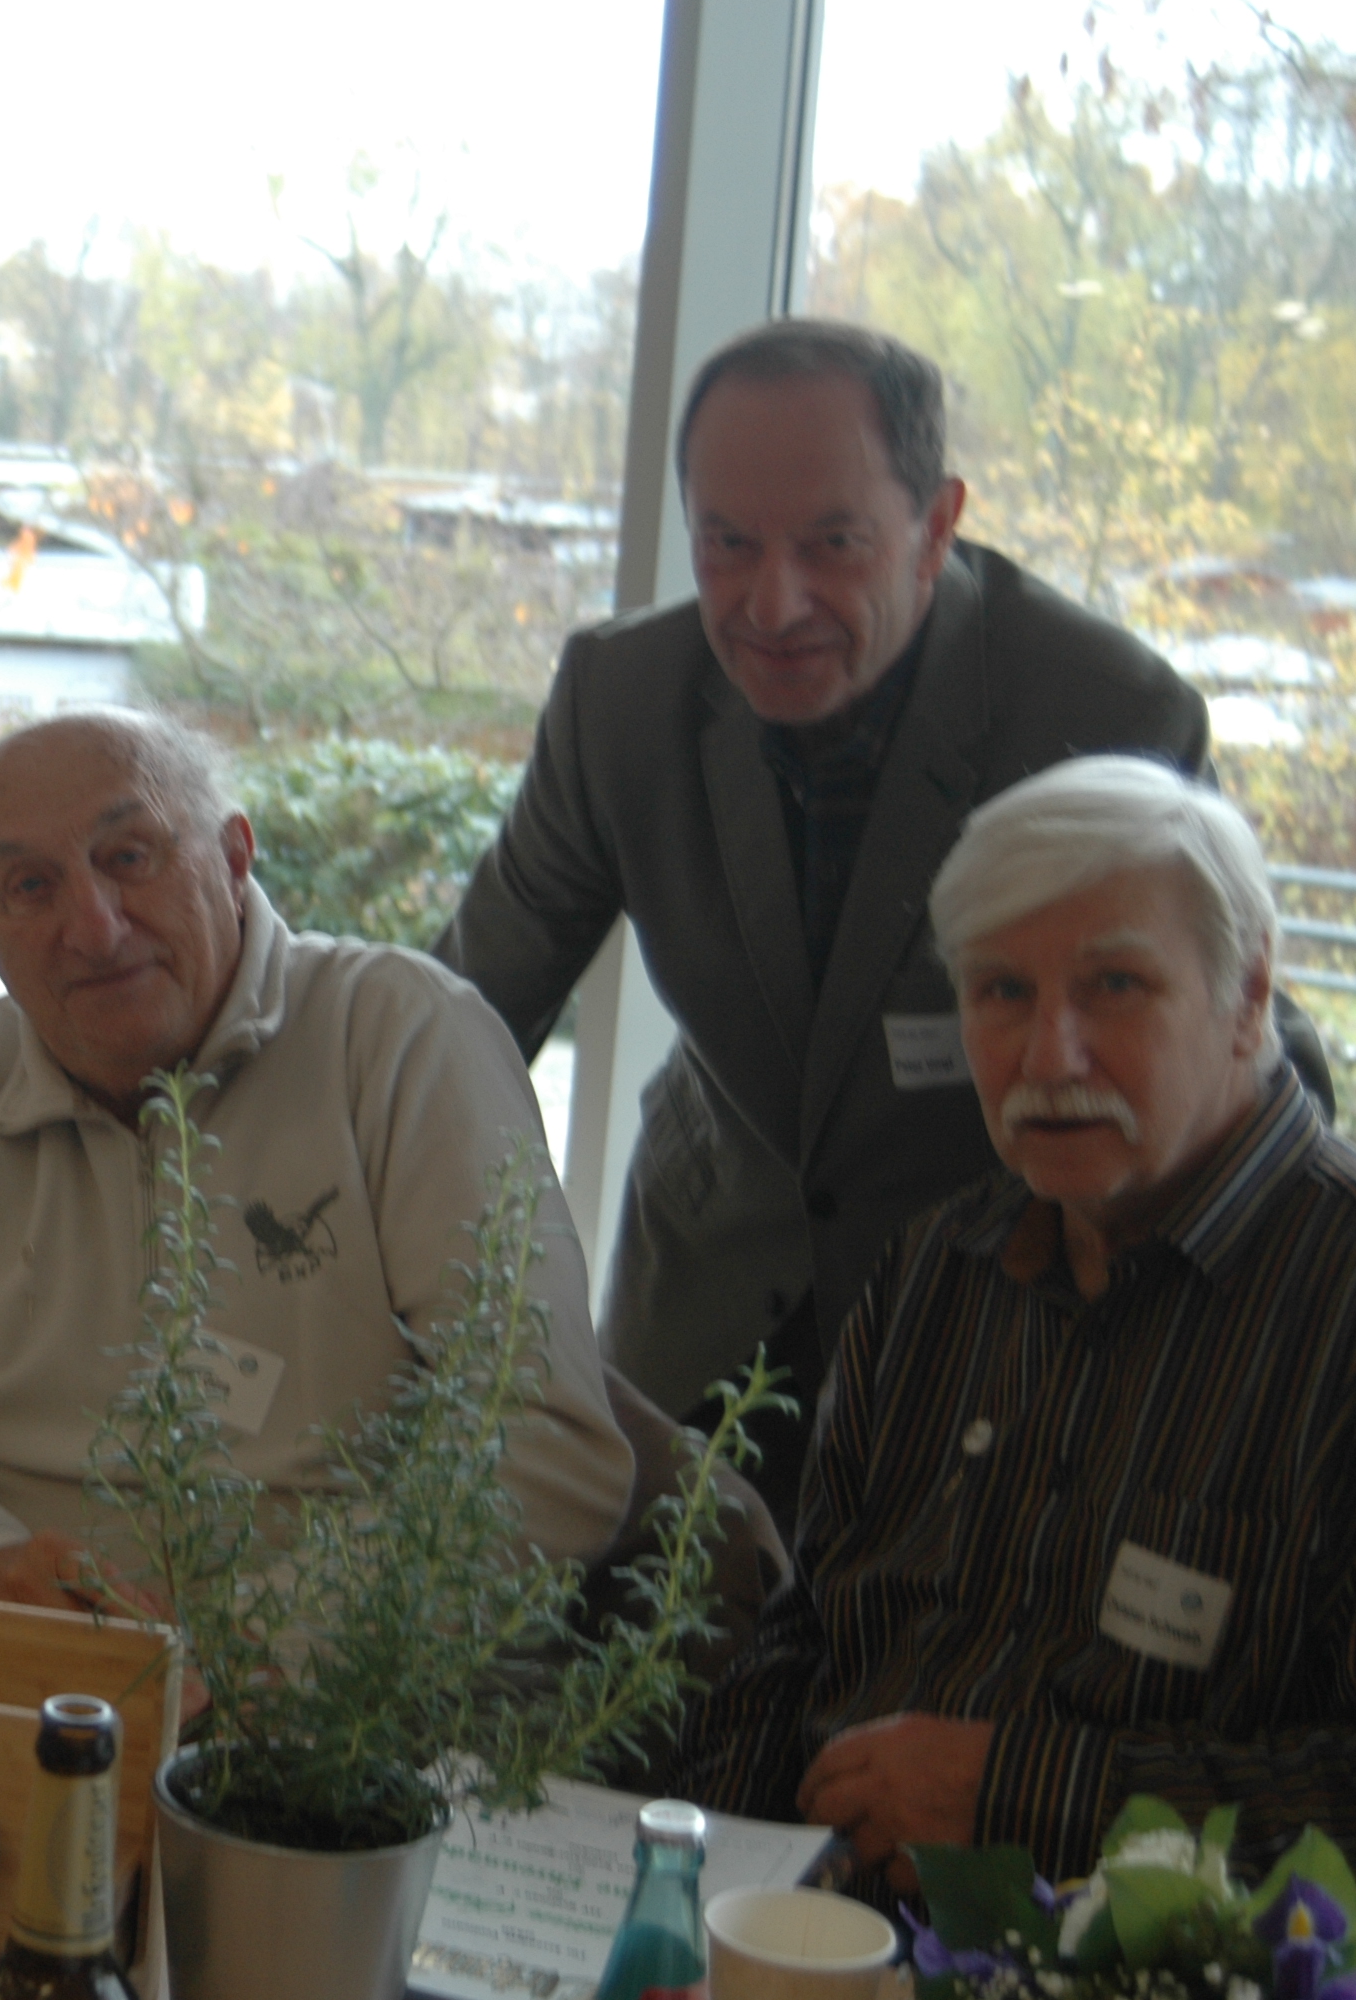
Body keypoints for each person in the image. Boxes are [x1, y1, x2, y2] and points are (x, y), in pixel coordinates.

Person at [672, 758, 1356, 1979]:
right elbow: (808, 1636)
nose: (1049, 1052)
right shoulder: (936, 1267)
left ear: (1246, 995)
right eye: (1000, 990)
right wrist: (689, 1887)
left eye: (1113, 984)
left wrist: (1024, 1792)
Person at [432, 319, 1209, 1521]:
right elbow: (454, 1021)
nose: (770, 601)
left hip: (996, 1344)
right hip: (696, 1322)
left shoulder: (1101, 712)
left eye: (830, 545)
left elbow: (1229, 1053)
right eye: (726, 544)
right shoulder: (620, 701)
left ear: (935, 525)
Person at [0, 709, 639, 1614]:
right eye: (30, 886)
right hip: (44, 1677)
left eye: (130, 857)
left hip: (356, 1688)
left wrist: (233, 1654)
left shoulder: (402, 1037)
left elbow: (547, 1458)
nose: (95, 926)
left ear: (235, 859)